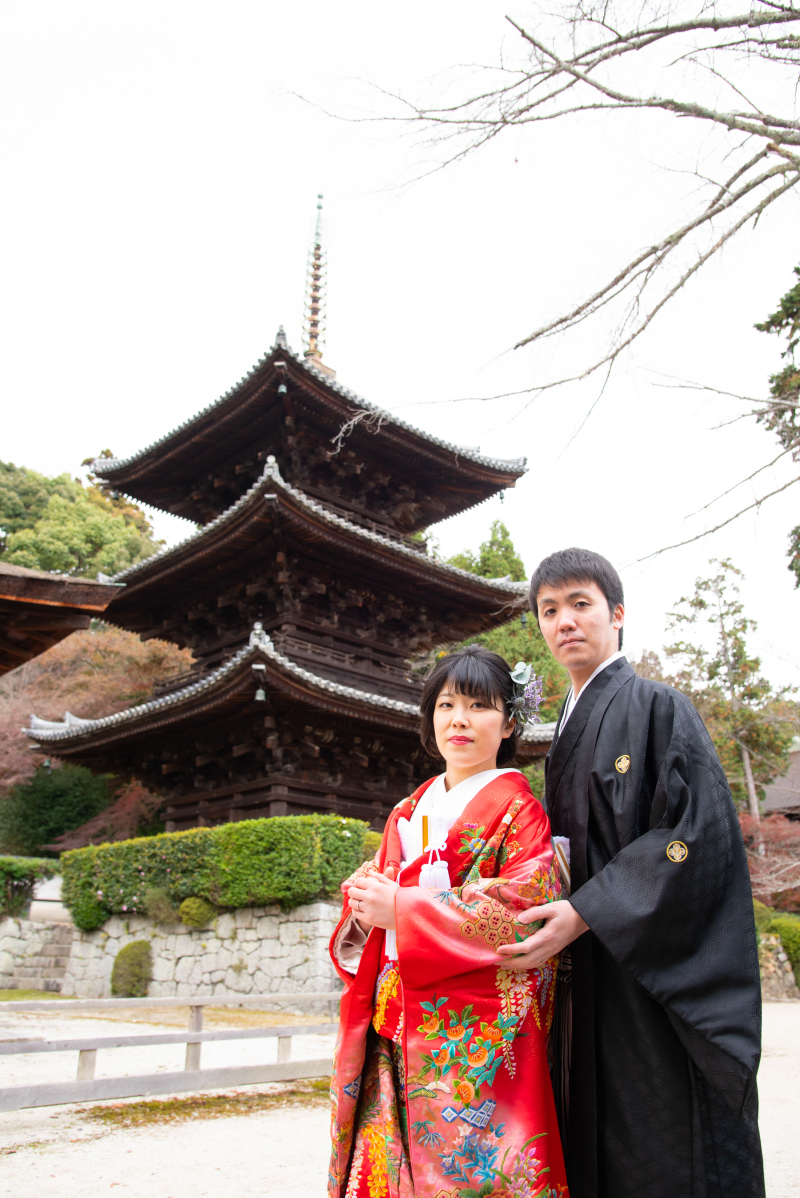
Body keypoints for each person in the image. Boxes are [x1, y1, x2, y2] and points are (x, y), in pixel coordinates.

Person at [496, 547, 764, 1198]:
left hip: (650, 976)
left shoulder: (657, 707)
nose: (565, 622)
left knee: (663, 1141)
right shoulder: (563, 731)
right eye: (549, 610)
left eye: (581, 604)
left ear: (617, 614)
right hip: (583, 971)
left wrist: (588, 910)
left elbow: (691, 837)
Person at [327, 644, 570, 1198]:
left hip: (468, 1033)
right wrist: (364, 905)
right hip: (393, 1018)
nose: (459, 720)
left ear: (508, 723)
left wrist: (405, 911)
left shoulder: (519, 811)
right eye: (445, 705)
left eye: (480, 706)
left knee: (474, 1173)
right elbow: (374, 903)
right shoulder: (407, 810)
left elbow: (525, 910)